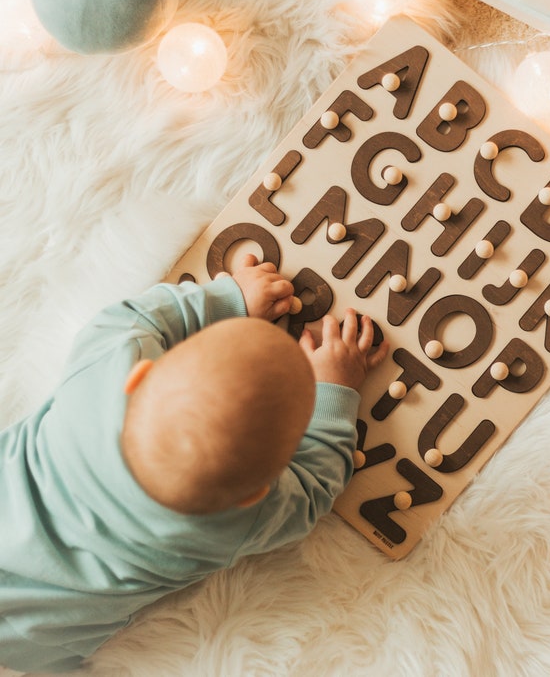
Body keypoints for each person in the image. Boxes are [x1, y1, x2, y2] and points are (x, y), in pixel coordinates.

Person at [0, 254, 388, 673]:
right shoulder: (242, 520)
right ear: (257, 492)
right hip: (30, 637)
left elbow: (143, 317)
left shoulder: (110, 357)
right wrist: (334, 386)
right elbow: (315, 484)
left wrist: (230, 299)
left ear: (138, 376)